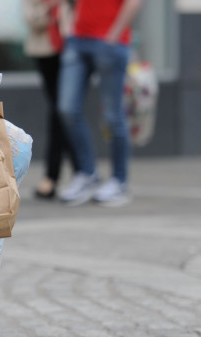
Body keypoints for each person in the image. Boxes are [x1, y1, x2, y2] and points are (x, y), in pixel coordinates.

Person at [57, 0, 143, 206]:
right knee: (67, 109)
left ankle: (119, 182)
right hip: (78, 40)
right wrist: (68, 25)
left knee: (113, 116)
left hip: (110, 42)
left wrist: (114, 34)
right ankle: (87, 175)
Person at [22, 0, 78, 200]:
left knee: (68, 111)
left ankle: (65, 175)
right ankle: (73, 172)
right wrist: (51, 7)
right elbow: (31, 18)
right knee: (59, 111)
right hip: (47, 52)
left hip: (76, 49)